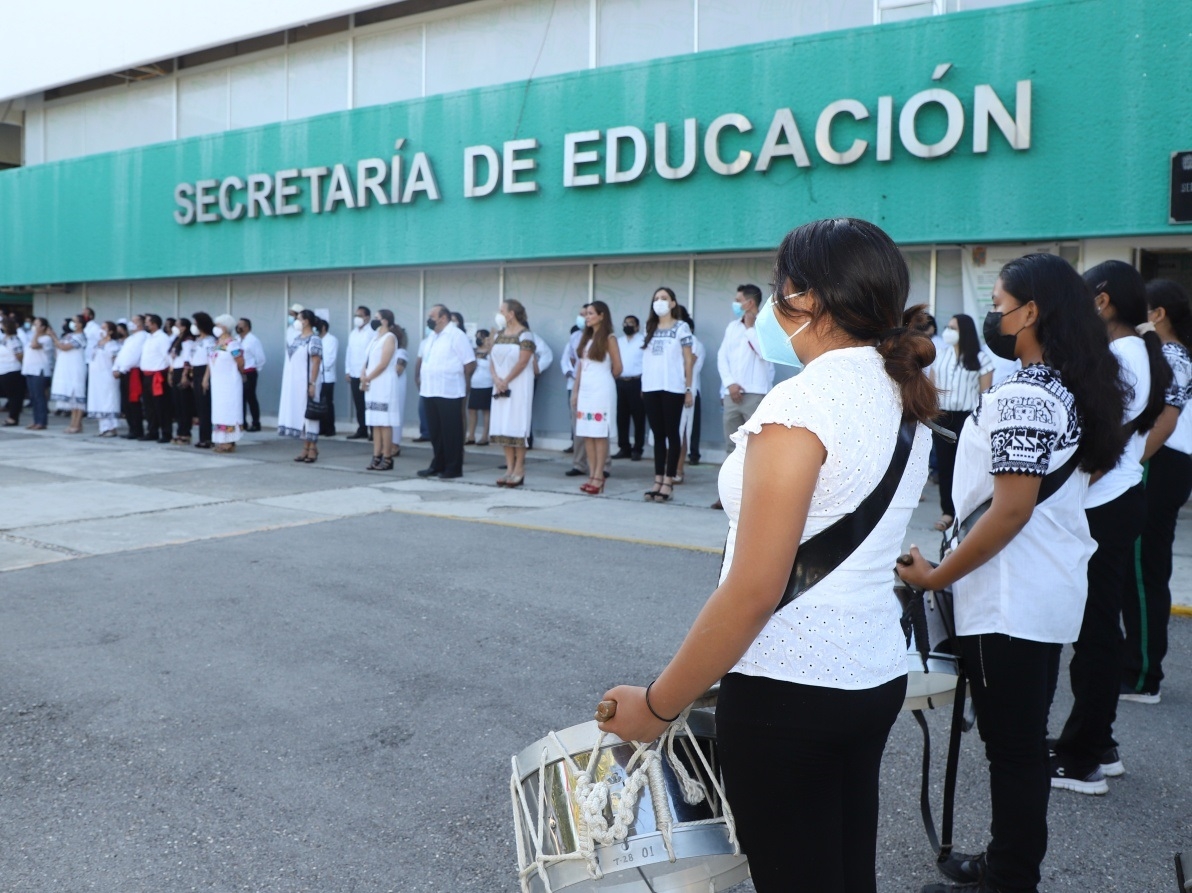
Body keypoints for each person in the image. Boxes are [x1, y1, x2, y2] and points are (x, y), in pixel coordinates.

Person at [600, 218, 936, 893]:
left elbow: (756, 588)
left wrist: (658, 705)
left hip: (789, 693)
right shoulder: (900, 391)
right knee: (842, 873)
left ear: (805, 300)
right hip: (872, 674)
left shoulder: (804, 401)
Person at [898, 253, 1127, 893]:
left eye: (999, 305)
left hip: (1009, 596)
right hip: (1035, 588)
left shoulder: (1027, 393)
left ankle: (1010, 877)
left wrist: (936, 577)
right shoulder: (1065, 384)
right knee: (1019, 743)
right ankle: (1008, 864)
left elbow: (1011, 511)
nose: (993, 316)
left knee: (1015, 748)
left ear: (1030, 313)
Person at [1044, 260, 1171, 794]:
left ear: (1101, 300)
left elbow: (1100, 438)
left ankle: (1083, 759)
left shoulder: (1120, 356)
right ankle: (1100, 743)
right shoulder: (1140, 352)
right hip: (1120, 500)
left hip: (1103, 504)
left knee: (1094, 633)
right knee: (1099, 627)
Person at [1123, 279, 1192, 704]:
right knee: (1145, 567)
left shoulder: (1169, 355)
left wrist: (1132, 462)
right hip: (1167, 463)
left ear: (1159, 313)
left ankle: (1143, 674)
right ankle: (1140, 665)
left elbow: (1165, 420)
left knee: (1143, 569)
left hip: (1159, 462)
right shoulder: (1175, 352)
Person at [929, 313, 994, 530]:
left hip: (967, 417)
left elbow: (985, 394)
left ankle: (964, 510)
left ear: (965, 331)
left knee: (966, 466)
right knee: (945, 467)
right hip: (943, 416)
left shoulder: (981, 359)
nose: (948, 331)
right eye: (947, 327)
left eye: (953, 328)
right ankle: (947, 512)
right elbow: (932, 387)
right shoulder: (940, 356)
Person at [715, 284, 775, 508]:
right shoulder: (732, 327)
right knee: (731, 446)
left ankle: (752, 497)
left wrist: (751, 329)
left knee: (755, 448)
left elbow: (764, 353)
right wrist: (729, 384)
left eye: (738, 300)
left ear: (750, 303)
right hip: (732, 394)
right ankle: (727, 495)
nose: (735, 304)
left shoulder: (765, 325)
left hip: (756, 394)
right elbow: (723, 358)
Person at [640, 287, 694, 502]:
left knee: (673, 434)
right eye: (656, 299)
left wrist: (688, 388)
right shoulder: (649, 328)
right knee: (657, 435)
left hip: (673, 388)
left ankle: (669, 480)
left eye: (664, 298)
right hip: (651, 387)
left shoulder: (682, 327)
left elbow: (688, 360)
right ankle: (658, 478)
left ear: (673, 303)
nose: (659, 302)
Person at [415, 305, 476, 480]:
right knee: (436, 431)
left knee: (451, 432)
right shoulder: (432, 337)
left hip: (449, 390)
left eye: (432, 316)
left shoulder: (456, 336)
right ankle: (438, 464)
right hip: (430, 390)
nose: (429, 319)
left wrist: (465, 384)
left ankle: (453, 467)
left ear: (443, 318)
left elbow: (469, 363)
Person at [571, 300, 622, 495]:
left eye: (591, 313)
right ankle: (591, 474)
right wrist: (576, 392)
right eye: (586, 314)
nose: (587, 317)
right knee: (587, 433)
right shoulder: (586, 338)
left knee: (599, 434)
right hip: (585, 390)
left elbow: (618, 367)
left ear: (602, 315)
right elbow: (581, 368)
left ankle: (599, 476)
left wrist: (603, 378)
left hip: (601, 390)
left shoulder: (609, 338)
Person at [489, 300, 536, 487]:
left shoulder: (526, 335)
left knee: (517, 423)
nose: (499, 313)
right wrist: (496, 379)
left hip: (518, 385)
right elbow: (491, 359)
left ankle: (519, 468)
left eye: (501, 310)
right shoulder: (499, 335)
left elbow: (523, 362)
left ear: (511, 314)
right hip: (500, 385)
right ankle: (509, 468)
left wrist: (506, 380)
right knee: (503, 425)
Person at [278, 309, 324, 463]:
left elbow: (316, 362)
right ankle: (306, 447)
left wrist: (312, 383)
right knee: (301, 415)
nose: (296, 321)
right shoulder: (296, 338)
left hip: (308, 382)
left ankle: (311, 448)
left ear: (306, 321)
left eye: (298, 318)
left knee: (309, 415)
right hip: (295, 384)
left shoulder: (314, 339)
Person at [360, 309, 400, 470]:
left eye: (377, 318)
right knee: (375, 422)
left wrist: (368, 377)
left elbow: (383, 363)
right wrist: (363, 374)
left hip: (383, 382)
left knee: (385, 422)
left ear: (385, 320)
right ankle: (376, 455)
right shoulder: (375, 338)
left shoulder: (390, 338)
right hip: (372, 383)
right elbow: (367, 359)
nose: (374, 321)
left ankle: (387, 457)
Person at [204, 314, 246, 454]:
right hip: (218, 383)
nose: (215, 328)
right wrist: (206, 378)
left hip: (230, 382)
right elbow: (210, 363)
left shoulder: (232, 343)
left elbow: (240, 361)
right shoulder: (216, 344)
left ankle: (229, 441)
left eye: (218, 325)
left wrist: (240, 373)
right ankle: (221, 440)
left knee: (229, 409)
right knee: (219, 411)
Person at [672, 305, 705, 483]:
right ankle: (666, 470)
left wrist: (687, 391)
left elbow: (691, 369)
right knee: (670, 431)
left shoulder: (695, 343)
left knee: (683, 432)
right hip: (669, 391)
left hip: (687, 393)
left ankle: (678, 469)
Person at [614, 314, 646, 460]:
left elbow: (647, 364)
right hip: (620, 382)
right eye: (625, 323)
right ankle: (624, 447)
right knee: (621, 417)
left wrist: (644, 386)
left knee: (638, 417)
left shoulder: (643, 340)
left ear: (637, 326)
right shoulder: (618, 342)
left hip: (637, 382)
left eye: (631, 323)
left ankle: (637, 449)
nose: (627, 326)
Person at [49, 314, 88, 433]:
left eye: (75, 321)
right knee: (71, 398)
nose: (73, 323)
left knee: (77, 394)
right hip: (66, 367)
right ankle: (74, 422)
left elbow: (64, 347)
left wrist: (53, 336)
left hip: (75, 368)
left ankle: (76, 423)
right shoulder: (69, 335)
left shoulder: (81, 336)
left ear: (80, 324)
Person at [113, 315, 148, 439]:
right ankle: (131, 428)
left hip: (132, 371)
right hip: (124, 371)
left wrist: (122, 369)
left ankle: (137, 429)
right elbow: (122, 354)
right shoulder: (130, 339)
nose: (132, 324)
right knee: (126, 403)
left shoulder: (143, 336)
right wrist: (115, 368)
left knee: (134, 402)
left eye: (135, 321)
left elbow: (134, 356)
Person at [140, 314, 172, 443]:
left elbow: (167, 357)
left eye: (147, 322)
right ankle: (152, 431)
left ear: (154, 324)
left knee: (161, 406)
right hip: (147, 375)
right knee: (149, 406)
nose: (145, 325)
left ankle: (166, 433)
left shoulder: (162, 338)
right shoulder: (148, 337)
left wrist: (170, 372)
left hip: (158, 375)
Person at [86, 320, 121, 437]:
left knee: (108, 400)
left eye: (104, 327)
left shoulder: (112, 344)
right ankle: (103, 427)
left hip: (107, 376)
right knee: (98, 400)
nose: (101, 330)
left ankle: (111, 427)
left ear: (110, 331)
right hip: (96, 378)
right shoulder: (97, 344)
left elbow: (115, 360)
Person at [345, 304, 375, 440]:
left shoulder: (371, 333)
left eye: (360, 316)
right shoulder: (353, 333)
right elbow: (349, 352)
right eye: (356, 316)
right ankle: (362, 429)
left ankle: (374, 432)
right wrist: (348, 371)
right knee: (359, 404)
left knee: (369, 403)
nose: (357, 318)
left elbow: (373, 354)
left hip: (367, 374)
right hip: (354, 373)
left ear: (367, 318)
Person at [21, 317, 54, 430]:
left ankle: (42, 421)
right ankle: (36, 420)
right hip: (29, 370)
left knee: (40, 397)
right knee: (33, 397)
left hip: (39, 371)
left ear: (43, 327)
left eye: (37, 324)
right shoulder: (32, 337)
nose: (34, 326)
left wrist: (36, 333)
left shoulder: (46, 339)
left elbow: (35, 346)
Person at [189, 312, 217, 449]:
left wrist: (206, 378)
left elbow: (210, 360)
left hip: (204, 372)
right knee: (199, 407)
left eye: (195, 323)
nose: (193, 326)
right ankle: (202, 437)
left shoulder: (210, 341)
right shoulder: (197, 340)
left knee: (206, 407)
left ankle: (208, 438)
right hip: (195, 372)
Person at [169, 318, 196, 444]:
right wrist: (170, 373)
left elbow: (187, 359)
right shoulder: (175, 339)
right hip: (175, 371)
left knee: (185, 404)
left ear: (184, 327)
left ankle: (186, 432)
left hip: (183, 372)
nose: (175, 327)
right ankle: (179, 431)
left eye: (177, 325)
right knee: (177, 404)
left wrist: (185, 375)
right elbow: (172, 358)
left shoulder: (188, 340)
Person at [237, 317, 265, 432]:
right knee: (240, 398)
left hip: (249, 371)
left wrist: (254, 368)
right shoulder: (237, 339)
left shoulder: (253, 340)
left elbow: (261, 358)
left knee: (250, 397)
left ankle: (255, 422)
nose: (238, 327)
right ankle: (242, 422)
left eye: (241, 325)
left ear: (247, 327)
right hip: (239, 371)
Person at [467, 329, 493, 446]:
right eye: (477, 337)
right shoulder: (472, 351)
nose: (479, 339)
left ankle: (485, 436)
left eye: (481, 337)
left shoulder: (491, 352)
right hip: (475, 384)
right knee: (472, 410)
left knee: (486, 411)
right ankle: (471, 435)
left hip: (487, 383)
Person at [0, 317, 25, 426]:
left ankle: (13, 418)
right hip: (3, 370)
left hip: (12, 370)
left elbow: (19, 355)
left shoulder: (14, 339)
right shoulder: (4, 339)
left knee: (14, 396)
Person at [316, 318, 339, 437]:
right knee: (319, 403)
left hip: (327, 376)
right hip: (317, 377)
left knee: (327, 402)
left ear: (324, 327)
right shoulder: (316, 340)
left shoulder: (331, 340)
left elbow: (330, 359)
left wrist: (318, 367)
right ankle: (321, 427)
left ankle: (330, 428)